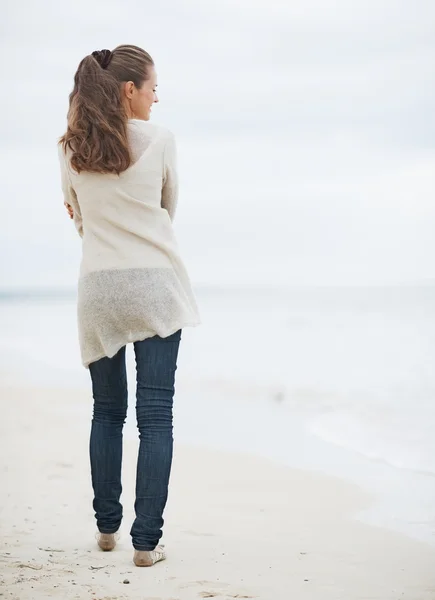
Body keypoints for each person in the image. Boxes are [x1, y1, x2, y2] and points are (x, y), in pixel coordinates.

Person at [58, 45, 201, 567]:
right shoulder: (160, 140)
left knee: (106, 411)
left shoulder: (69, 147)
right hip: (154, 285)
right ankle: (146, 544)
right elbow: (169, 208)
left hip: (98, 288)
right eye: (153, 87)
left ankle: (106, 529)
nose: (156, 97)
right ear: (128, 90)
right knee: (156, 415)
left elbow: (78, 219)